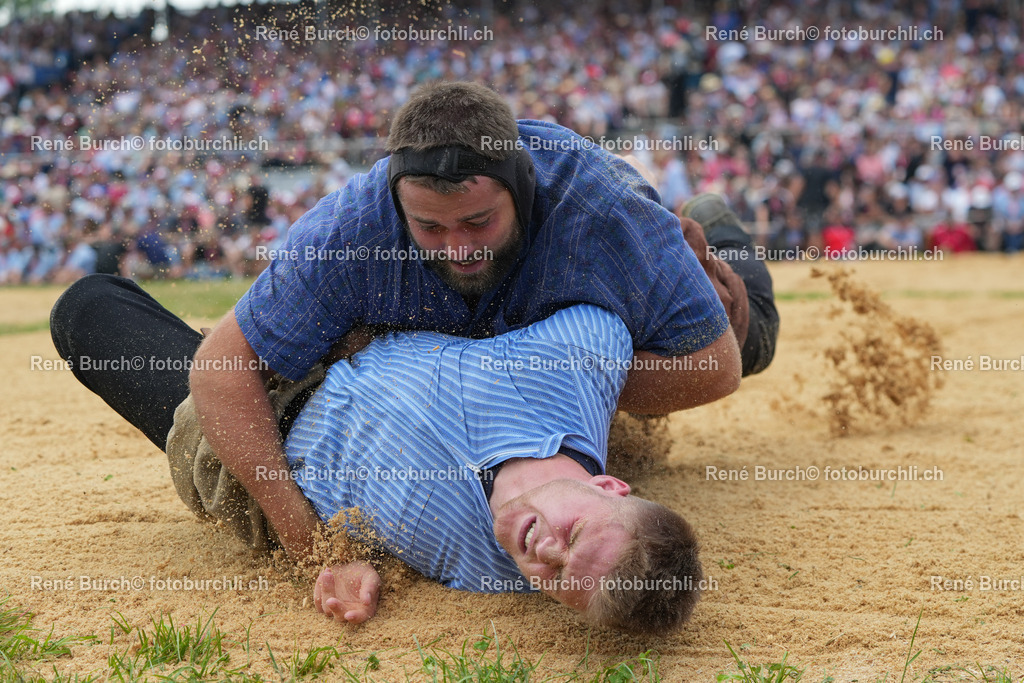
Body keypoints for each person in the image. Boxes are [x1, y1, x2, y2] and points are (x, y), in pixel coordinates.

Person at [181, 81, 775, 570]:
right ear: (396, 202)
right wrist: (311, 546)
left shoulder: (607, 211)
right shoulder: (348, 232)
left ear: (521, 187)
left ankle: (720, 238)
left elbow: (714, 371)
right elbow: (220, 369)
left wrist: (549, 377)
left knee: (745, 332)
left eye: (478, 221)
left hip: (633, 333)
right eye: (431, 229)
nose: (459, 247)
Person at [50, 276, 703, 637]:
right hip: (321, 334)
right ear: (611, 486)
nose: (546, 555)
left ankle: (212, 346)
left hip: (261, 430)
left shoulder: (488, 575)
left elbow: (334, 549)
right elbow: (566, 270)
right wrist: (689, 267)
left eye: (560, 584)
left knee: (85, 305)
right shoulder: (578, 359)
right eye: (577, 535)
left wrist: (323, 555)